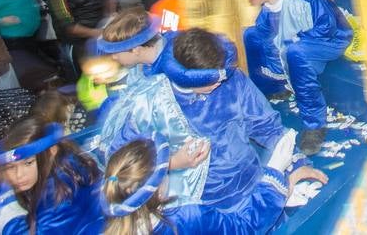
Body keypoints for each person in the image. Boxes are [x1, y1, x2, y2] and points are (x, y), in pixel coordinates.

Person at [99, 28, 291, 211]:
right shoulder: (150, 104)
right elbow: (119, 169)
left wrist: (294, 164)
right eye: (209, 80)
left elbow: (267, 126)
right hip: (199, 206)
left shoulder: (233, 80)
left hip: (252, 185)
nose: (219, 83)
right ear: (185, 77)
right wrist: (172, 163)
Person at [239, 0, 353, 153]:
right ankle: (272, 88)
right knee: (251, 35)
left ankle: (315, 125)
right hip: (298, 42)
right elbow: (266, 38)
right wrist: (277, 66)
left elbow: (327, 28)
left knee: (295, 52)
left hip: (331, 39)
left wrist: (295, 42)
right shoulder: (268, 8)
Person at [100, 137, 327, 235]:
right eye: (165, 168)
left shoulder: (113, 215)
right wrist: (279, 173)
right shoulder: (186, 218)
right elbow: (246, 227)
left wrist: (176, 162)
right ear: (158, 186)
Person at [0, 118, 101, 235]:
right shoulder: (63, 165)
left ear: (51, 151)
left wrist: (8, 217)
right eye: (11, 167)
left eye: (28, 163)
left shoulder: (59, 191)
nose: (18, 175)